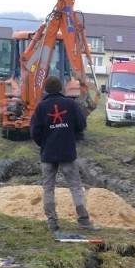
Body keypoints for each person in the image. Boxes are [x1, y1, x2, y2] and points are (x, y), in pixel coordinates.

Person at [30, 75, 99, 232]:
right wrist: (70, 136)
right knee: (75, 186)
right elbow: (81, 125)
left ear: (46, 89)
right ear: (61, 88)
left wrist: (44, 144)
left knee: (48, 188)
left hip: (48, 154)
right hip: (67, 152)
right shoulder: (71, 104)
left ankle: (52, 222)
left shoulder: (41, 107)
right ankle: (83, 220)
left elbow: (35, 132)